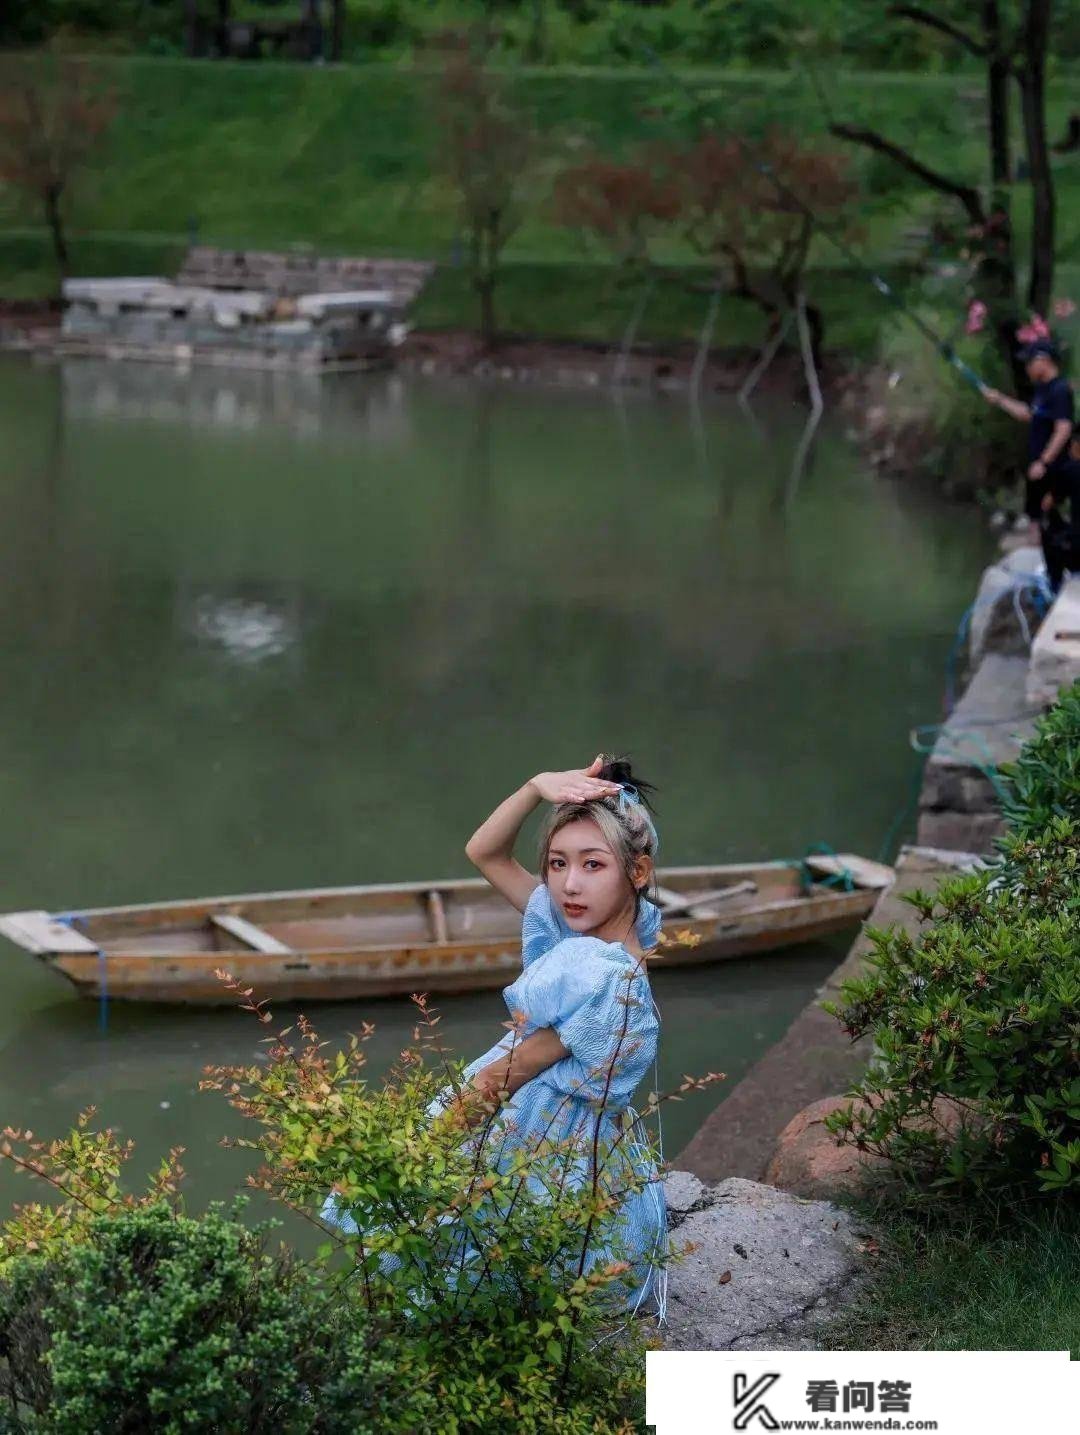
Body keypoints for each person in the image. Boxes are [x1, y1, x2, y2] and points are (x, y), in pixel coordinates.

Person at [323, 753, 669, 1324]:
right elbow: (484, 852)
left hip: (535, 1150)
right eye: (557, 863)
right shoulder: (591, 930)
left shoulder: (598, 974)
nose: (569, 884)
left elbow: (499, 1080)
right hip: (559, 1142)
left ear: (637, 871)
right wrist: (537, 786)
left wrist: (400, 1166)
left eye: (592, 864)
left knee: (443, 1265)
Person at [982, 338, 1074, 546]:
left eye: (1030, 362)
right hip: (1037, 465)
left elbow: (1064, 429)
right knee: (1033, 515)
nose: (1027, 367)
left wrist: (1044, 461)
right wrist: (999, 400)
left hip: (1053, 466)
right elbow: (1028, 414)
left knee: (1046, 515)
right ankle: (1038, 557)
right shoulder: (1042, 390)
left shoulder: (1060, 390)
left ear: (1044, 361)